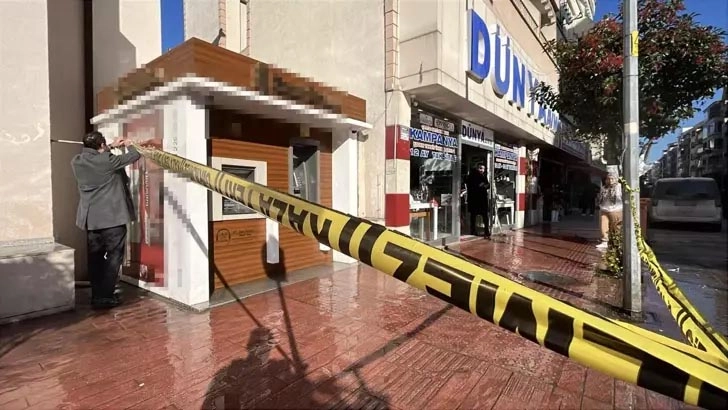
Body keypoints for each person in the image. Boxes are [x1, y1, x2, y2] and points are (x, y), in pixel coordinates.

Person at [71, 131, 141, 309]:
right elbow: (134, 155)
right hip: (112, 219)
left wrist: (110, 146)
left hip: (91, 221)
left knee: (95, 258)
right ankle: (105, 296)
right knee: (113, 257)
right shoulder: (107, 160)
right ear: (101, 145)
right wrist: (129, 144)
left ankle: (97, 294)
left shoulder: (77, 162)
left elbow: (98, 155)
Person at [596, 171, 623, 250]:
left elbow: (622, 197)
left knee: (615, 227)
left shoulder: (619, 187)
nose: (610, 181)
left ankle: (616, 242)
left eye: (612, 179)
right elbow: (600, 197)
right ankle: (605, 241)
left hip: (616, 209)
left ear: (616, 179)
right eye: (609, 179)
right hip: (604, 209)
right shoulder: (604, 187)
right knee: (603, 226)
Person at [466, 163, 491, 238]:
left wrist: (484, 185)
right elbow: (473, 185)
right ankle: (474, 230)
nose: (482, 170)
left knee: (484, 215)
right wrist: (482, 185)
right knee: (474, 215)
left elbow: (487, 185)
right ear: (477, 168)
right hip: (475, 198)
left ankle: (486, 230)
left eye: (483, 169)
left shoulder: (483, 176)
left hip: (482, 198)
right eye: (480, 168)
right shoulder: (472, 176)